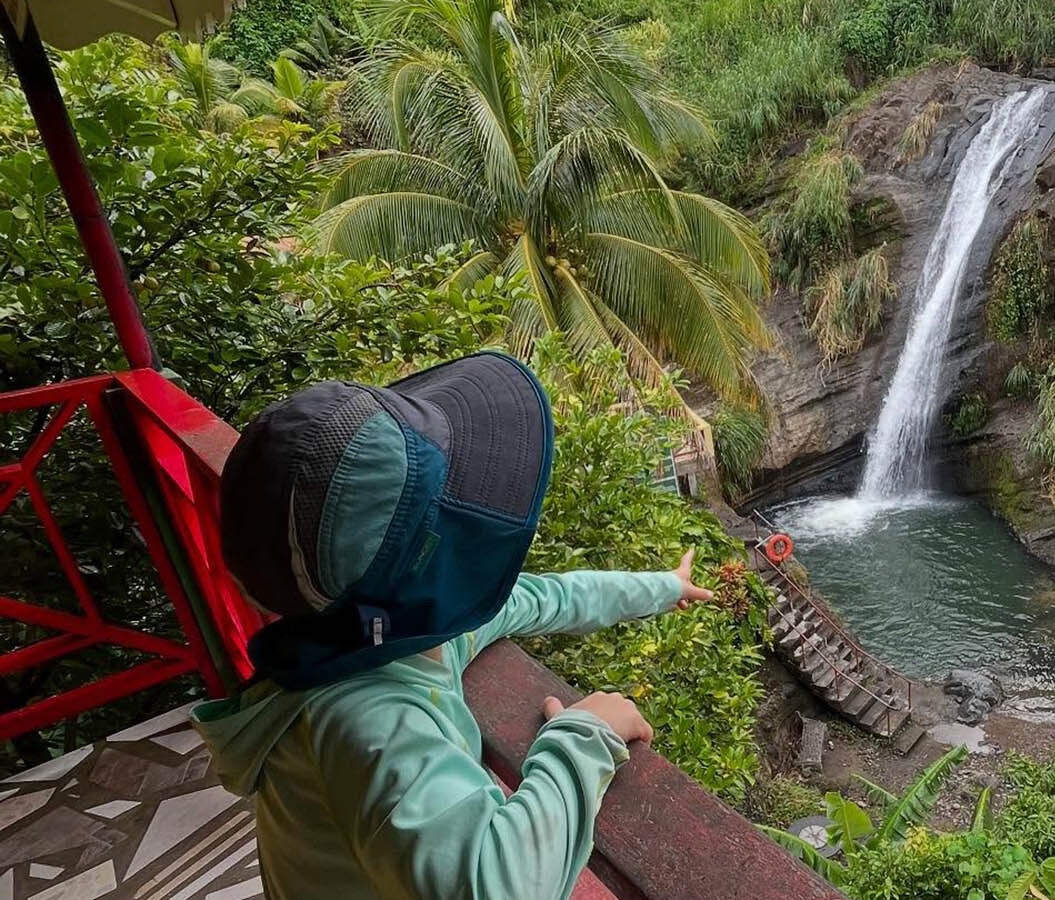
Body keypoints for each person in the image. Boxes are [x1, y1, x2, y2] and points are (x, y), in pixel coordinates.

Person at [192, 352, 713, 900]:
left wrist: (663, 588)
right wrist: (584, 736)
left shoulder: (374, 635)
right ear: (425, 573)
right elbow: (499, 888)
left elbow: (542, 597)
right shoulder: (365, 723)